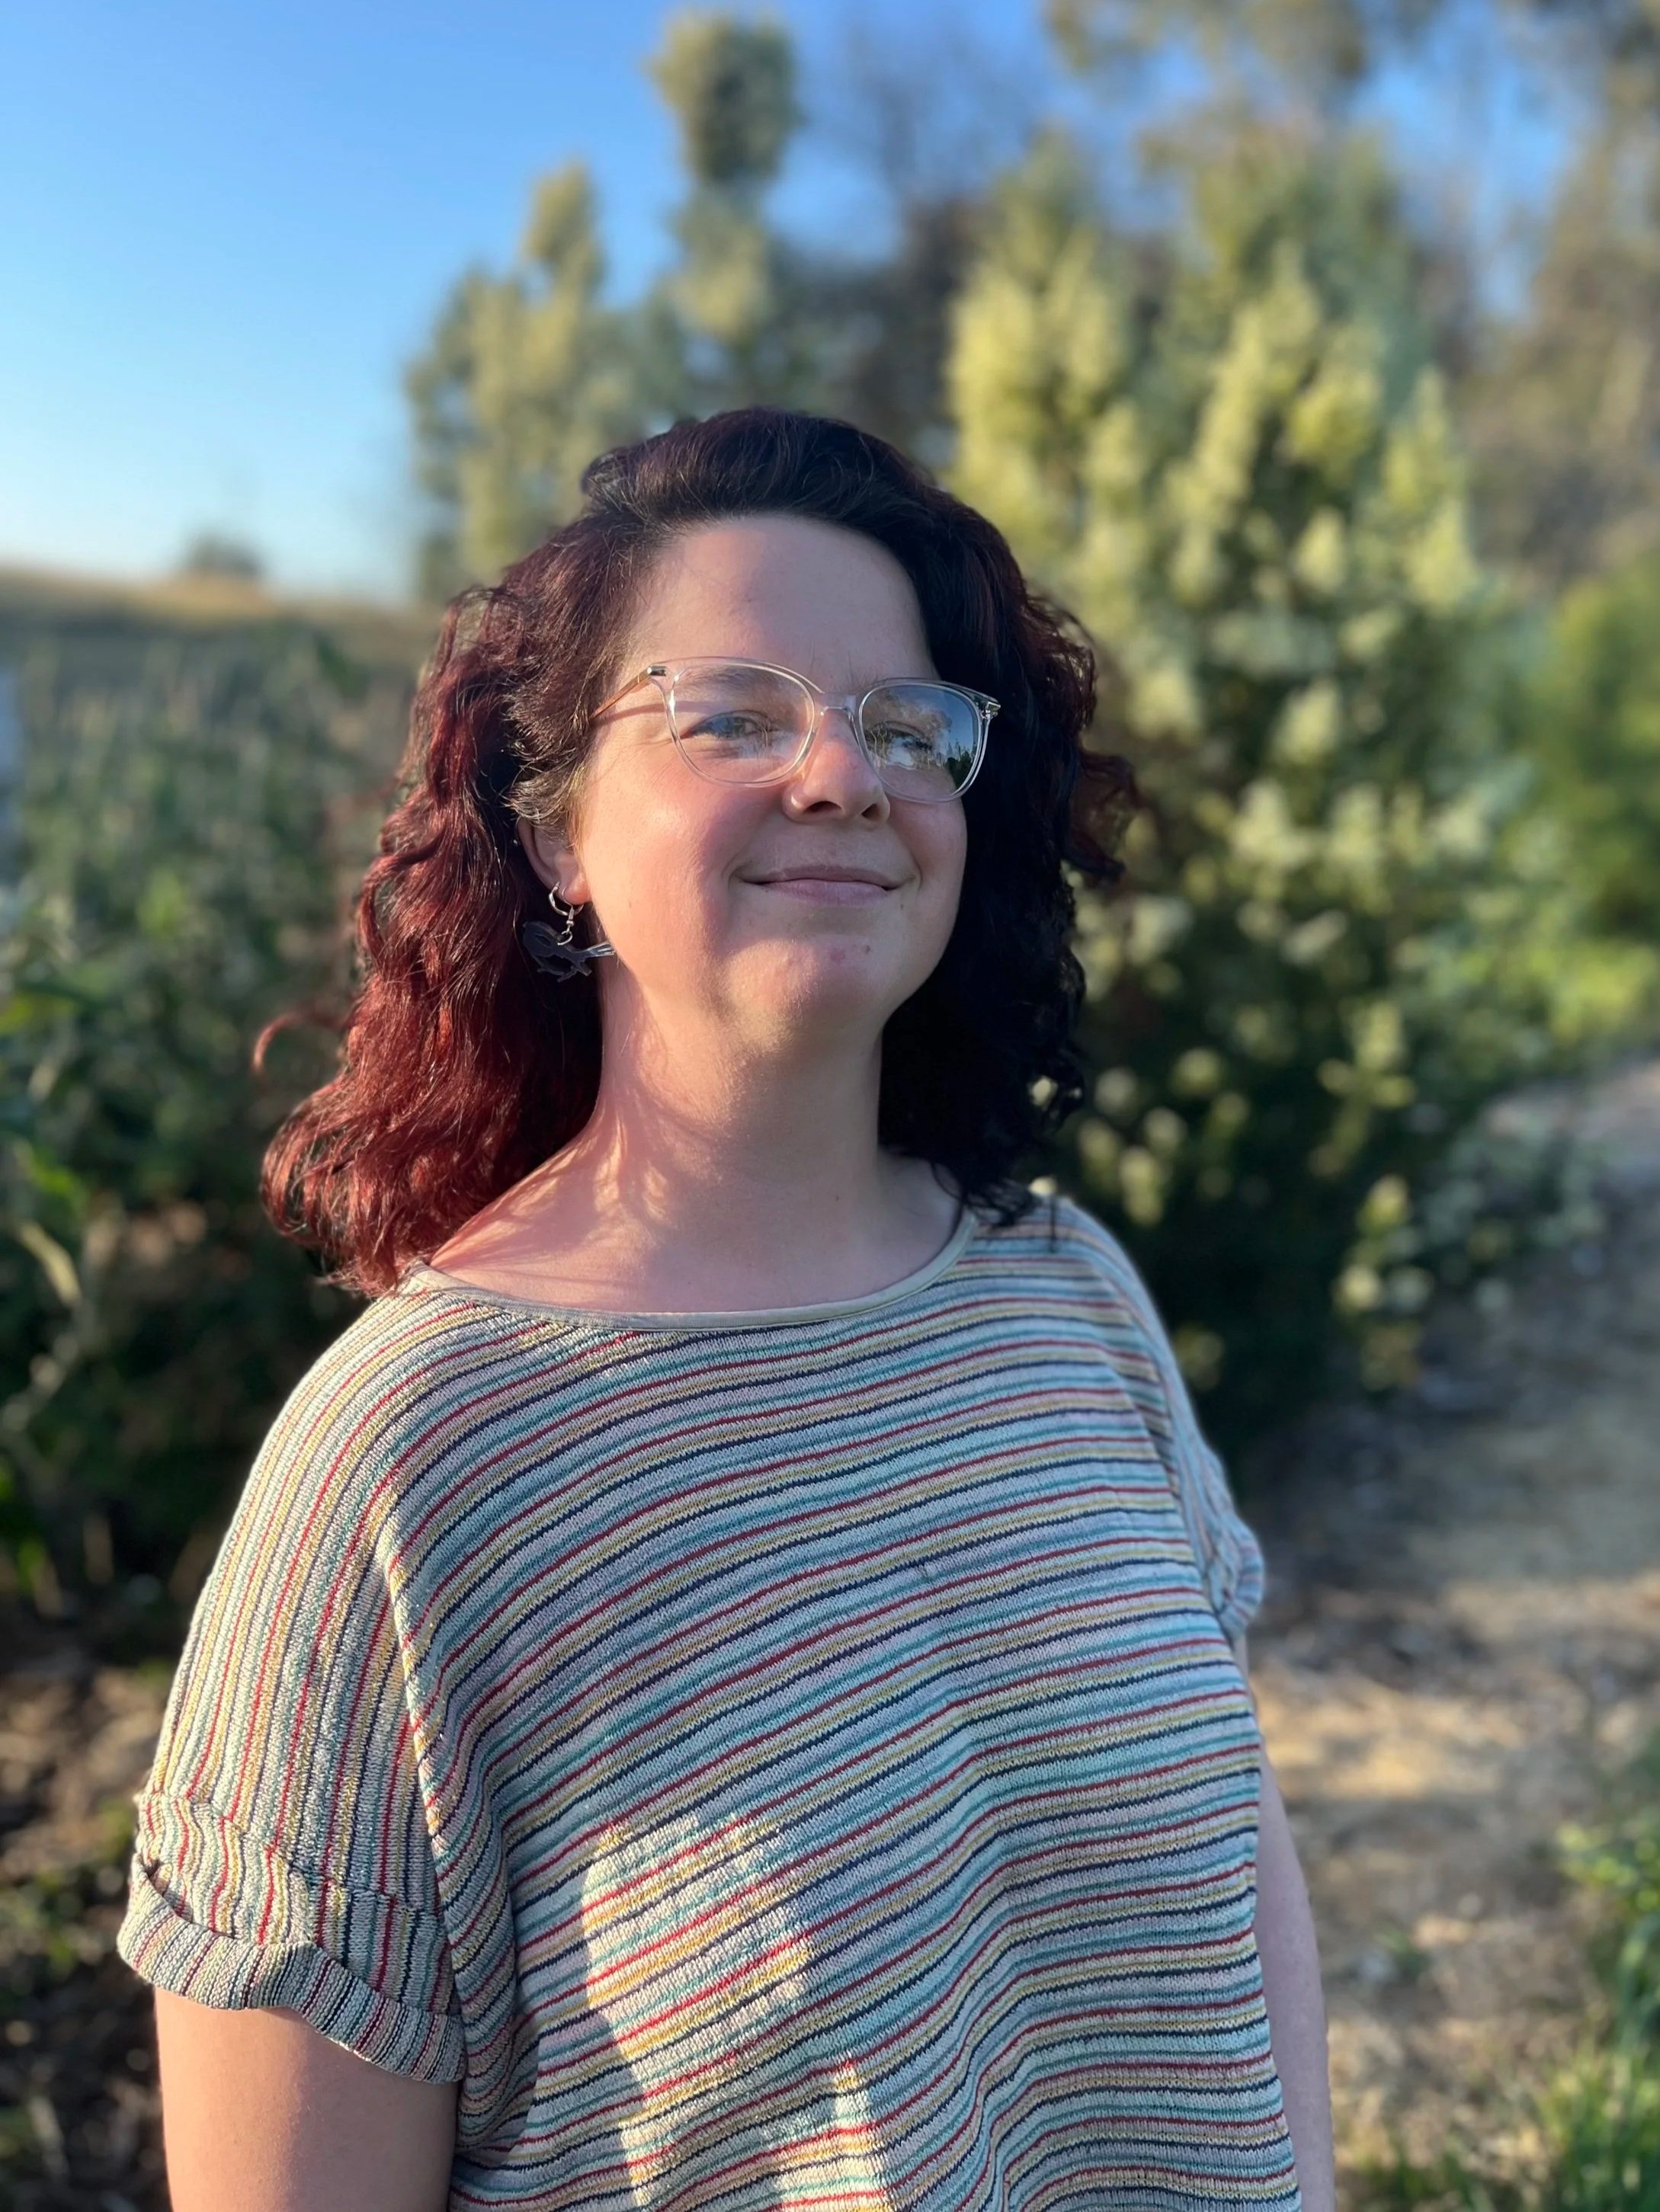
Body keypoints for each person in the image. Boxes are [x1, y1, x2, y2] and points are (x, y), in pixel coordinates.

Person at [118, 407, 1335, 2212]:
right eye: (732, 714)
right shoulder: (409, 1472)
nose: (843, 773)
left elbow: (1245, 1883)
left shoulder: (1068, 1298)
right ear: (556, 837)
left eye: (910, 726)